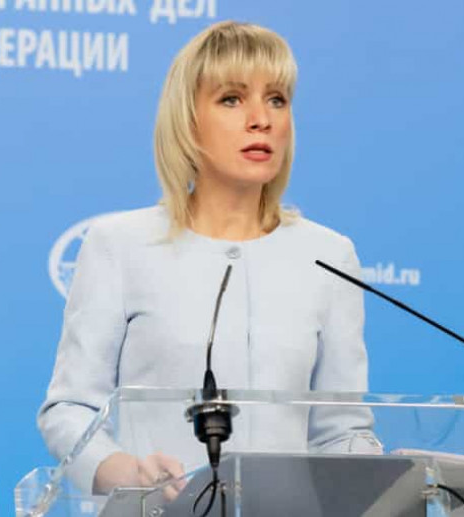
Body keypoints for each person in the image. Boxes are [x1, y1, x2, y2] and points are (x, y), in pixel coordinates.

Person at [38, 20, 382, 497]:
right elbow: (71, 410)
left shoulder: (328, 256)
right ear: (187, 120)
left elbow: (340, 430)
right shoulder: (119, 246)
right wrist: (125, 471)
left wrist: (398, 478)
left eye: (276, 99)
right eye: (232, 99)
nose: (261, 119)